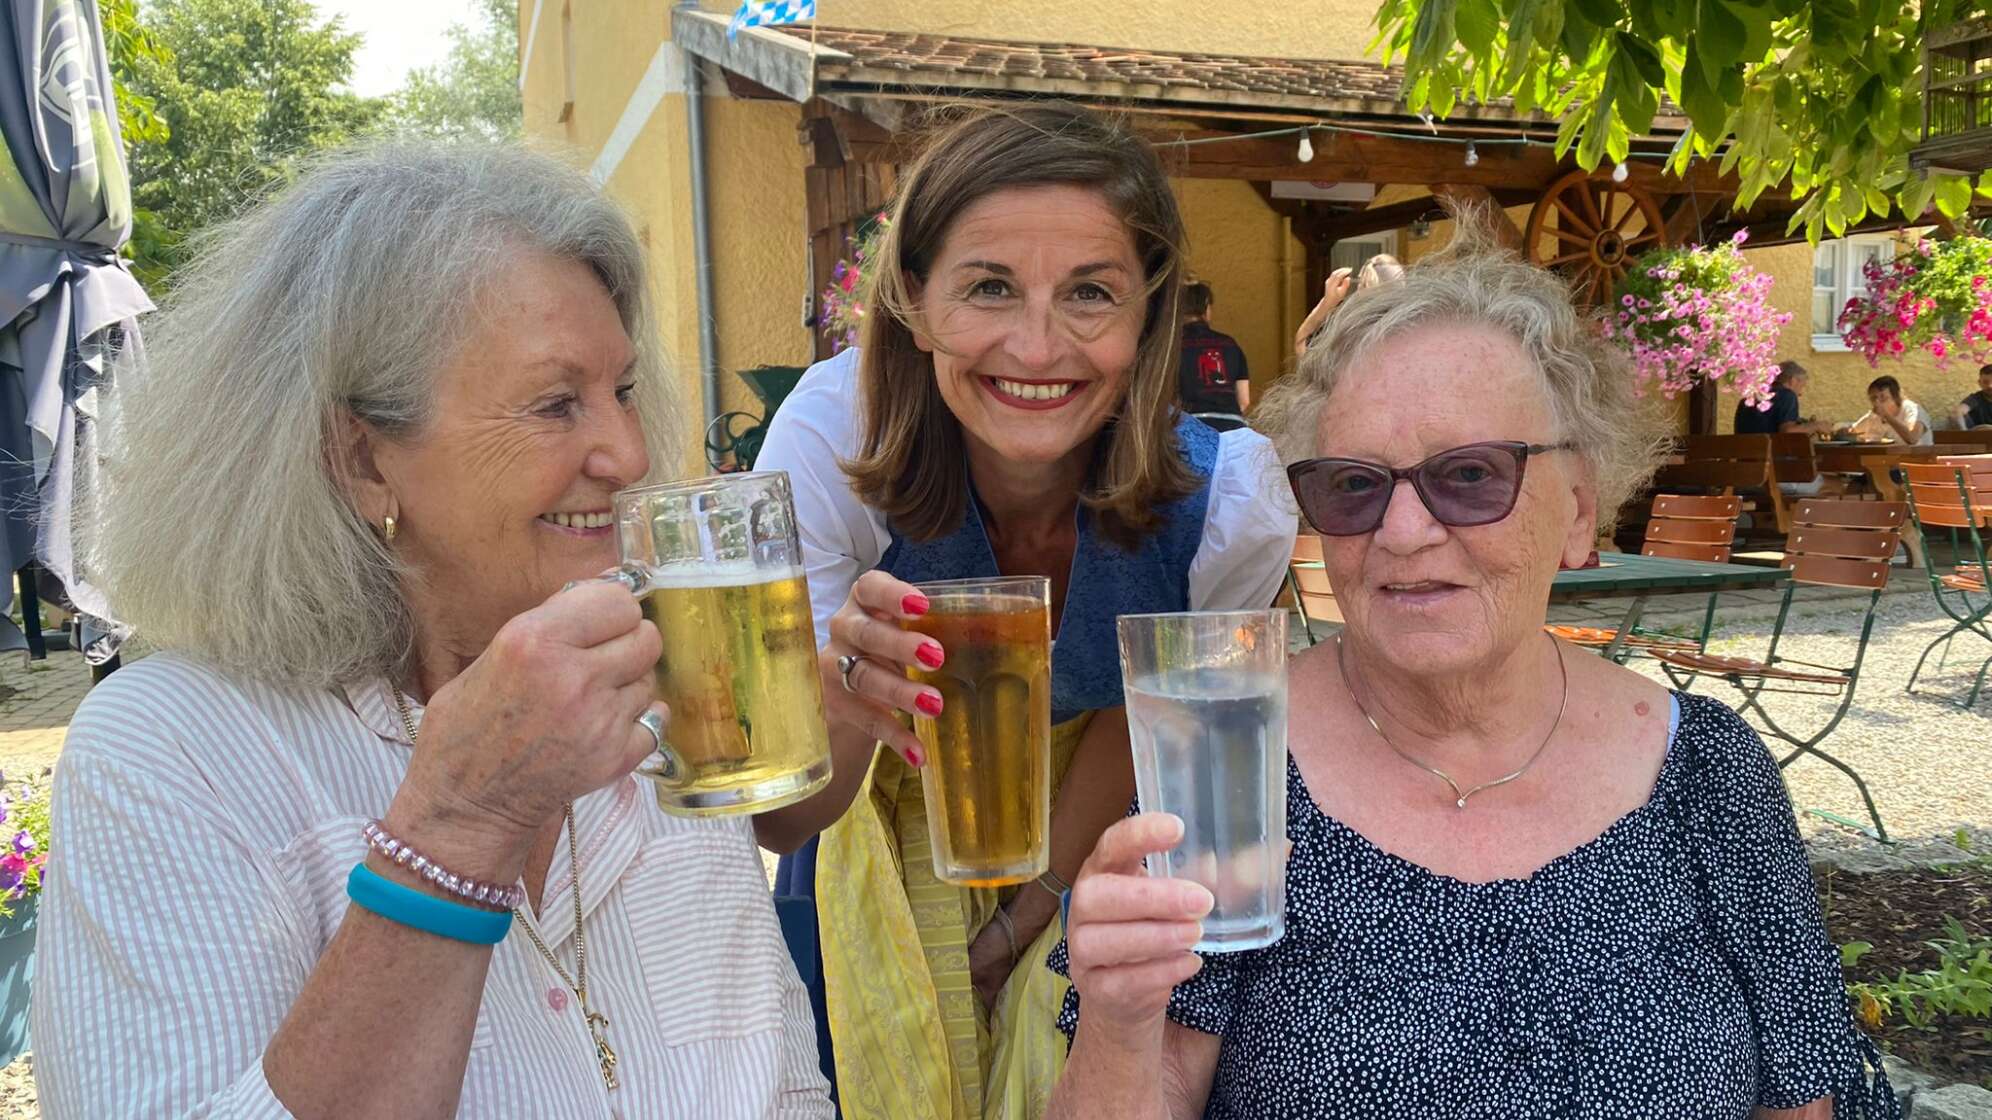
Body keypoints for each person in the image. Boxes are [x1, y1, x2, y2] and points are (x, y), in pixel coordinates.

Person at [34, 145, 831, 1118]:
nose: (628, 452)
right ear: (362, 459)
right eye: (554, 403)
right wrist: (459, 829)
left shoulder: (654, 700)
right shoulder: (171, 751)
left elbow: (787, 1093)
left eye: (622, 390)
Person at [1045, 233, 1896, 1119]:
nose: (1404, 532)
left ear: (1577, 511)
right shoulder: (1228, 754)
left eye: (1470, 475)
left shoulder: (1710, 771)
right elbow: (1160, 1087)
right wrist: (1119, 1025)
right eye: (1352, 485)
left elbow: (1800, 1100)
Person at [751, 103, 1297, 1120]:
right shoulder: (835, 444)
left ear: (1148, 315)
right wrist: (843, 697)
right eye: (989, 286)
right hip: (871, 824)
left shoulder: (1229, 501)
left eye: (1091, 293)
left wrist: (1029, 915)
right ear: (914, 299)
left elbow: (1148, 723)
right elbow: (785, 814)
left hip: (1100, 834)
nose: (1037, 346)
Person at [1291, 252, 1406, 358]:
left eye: (1361, 284)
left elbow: (1302, 344)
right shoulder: (1413, 331)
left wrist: (1327, 303)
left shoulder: (1351, 334)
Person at [1177, 281, 1251, 424]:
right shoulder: (1230, 344)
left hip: (1189, 427)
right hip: (1231, 425)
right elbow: (1244, 401)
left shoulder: (1171, 348)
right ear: (1206, 306)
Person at [1737, 360, 1833, 436]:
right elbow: (1788, 431)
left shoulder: (1749, 398)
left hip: (1744, 458)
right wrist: (1816, 426)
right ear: (1793, 380)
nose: (1800, 394)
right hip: (1772, 457)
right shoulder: (1787, 395)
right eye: (1802, 386)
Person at [1847, 375, 1933, 445]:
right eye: (1873, 398)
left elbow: (1912, 439)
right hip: (1886, 463)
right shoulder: (1873, 416)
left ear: (1896, 397)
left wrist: (1887, 416)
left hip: (1918, 462)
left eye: (1883, 397)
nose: (1877, 403)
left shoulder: (1913, 410)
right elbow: (1851, 431)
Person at [1957, 363, 1992, 428]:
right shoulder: (1975, 399)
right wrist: (1964, 434)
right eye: (1985, 382)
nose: (1990, 386)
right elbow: (1957, 412)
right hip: (1979, 436)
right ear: (1979, 383)